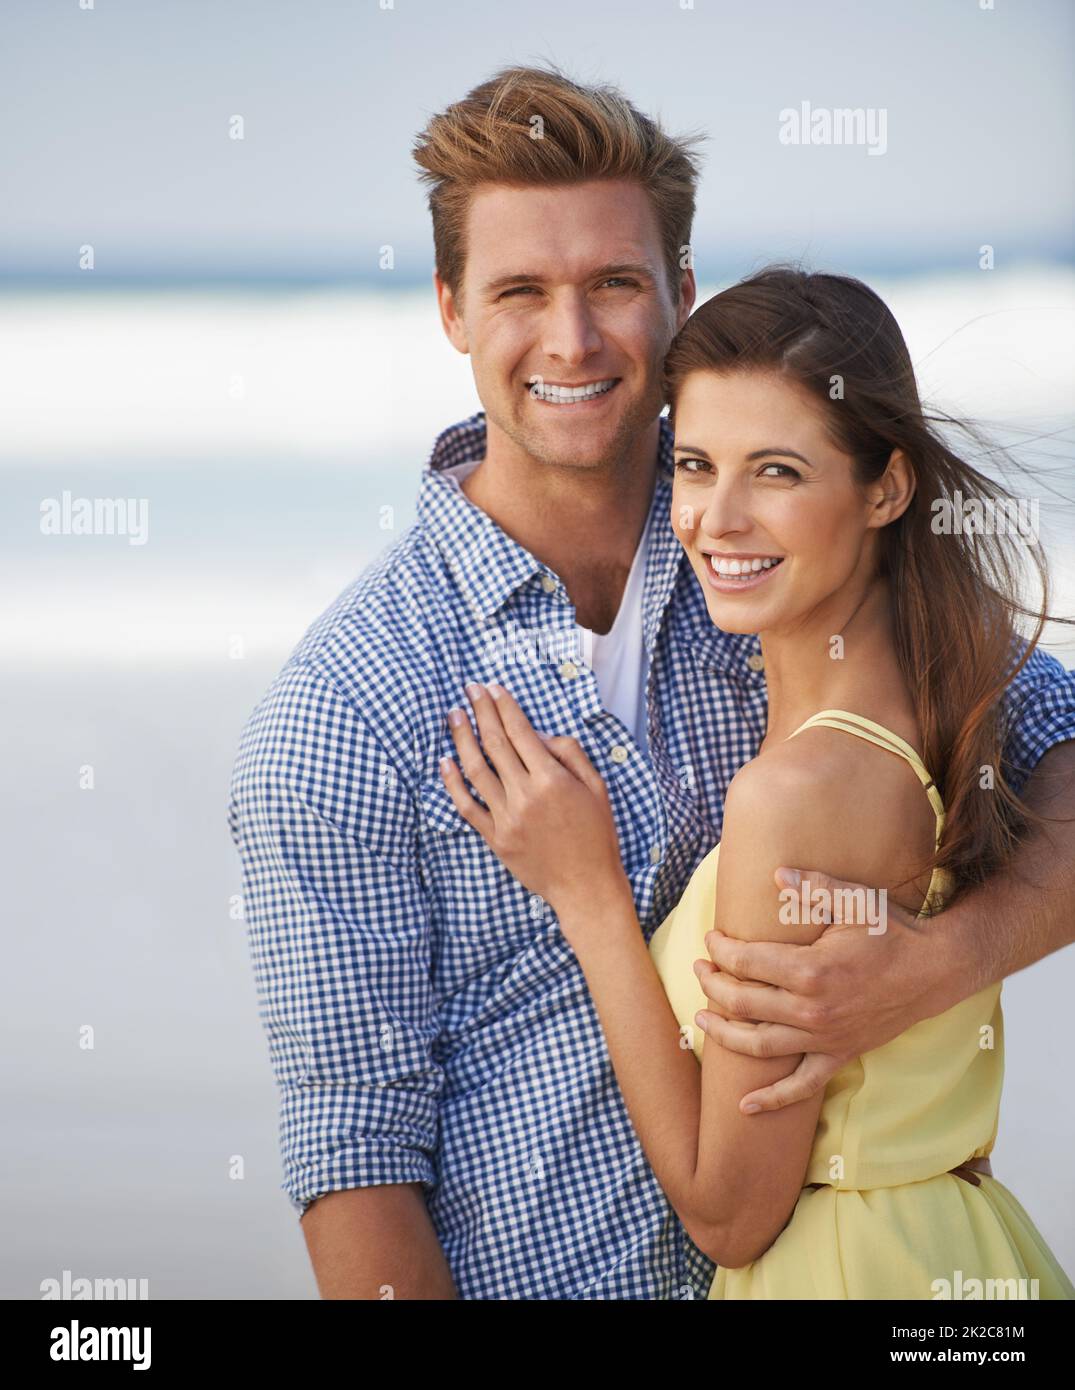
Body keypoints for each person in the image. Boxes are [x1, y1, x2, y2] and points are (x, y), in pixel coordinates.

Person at [228, 64, 1075, 1300]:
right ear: (451, 308)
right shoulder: (347, 714)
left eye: (614, 284)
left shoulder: (780, 547)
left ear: (680, 293)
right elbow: (356, 1150)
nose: (570, 340)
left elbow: (1057, 740)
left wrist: (940, 962)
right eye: (519, 289)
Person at [440, 265, 1075, 1298]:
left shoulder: (796, 793)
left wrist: (589, 897)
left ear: (886, 486)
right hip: (953, 1246)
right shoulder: (947, 684)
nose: (716, 518)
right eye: (693, 464)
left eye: (776, 472)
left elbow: (729, 1210)